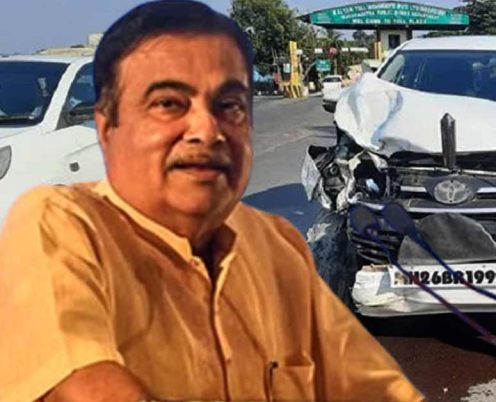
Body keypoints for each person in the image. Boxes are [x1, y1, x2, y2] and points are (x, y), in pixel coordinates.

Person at [0, 1, 424, 401]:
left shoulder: (276, 244)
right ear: (108, 127)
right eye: (168, 104)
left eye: (229, 105)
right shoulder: (57, 228)